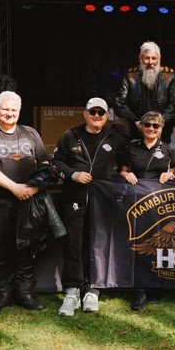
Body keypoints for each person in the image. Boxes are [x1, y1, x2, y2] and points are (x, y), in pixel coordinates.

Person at [0, 91, 51, 313]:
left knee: (27, 247)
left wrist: (34, 186)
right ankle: (3, 294)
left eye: (14, 110)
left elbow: (45, 163)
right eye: (5, 109)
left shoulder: (30, 133)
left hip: (29, 200)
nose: (9, 114)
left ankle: (25, 293)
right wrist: (13, 188)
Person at [52, 97, 127, 317]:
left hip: (102, 201)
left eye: (101, 113)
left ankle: (93, 288)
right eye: (92, 112)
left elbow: (126, 161)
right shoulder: (70, 135)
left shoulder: (114, 138)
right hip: (73, 198)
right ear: (85, 114)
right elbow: (56, 162)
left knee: (97, 246)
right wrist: (72, 174)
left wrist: (124, 172)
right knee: (74, 244)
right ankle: (73, 290)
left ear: (106, 116)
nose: (96, 116)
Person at [120, 111, 175, 311]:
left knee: (160, 243)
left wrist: (169, 175)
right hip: (137, 203)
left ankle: (156, 286)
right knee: (140, 243)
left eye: (156, 126)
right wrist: (126, 175)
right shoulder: (131, 147)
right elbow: (123, 170)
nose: (151, 129)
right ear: (141, 126)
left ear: (161, 129)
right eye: (148, 125)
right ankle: (140, 290)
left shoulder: (168, 149)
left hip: (161, 204)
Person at [115, 41, 175, 143]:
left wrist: (157, 122)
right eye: (147, 58)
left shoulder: (170, 77)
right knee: (119, 124)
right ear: (140, 58)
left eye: (154, 58)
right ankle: (124, 156)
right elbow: (120, 103)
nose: (150, 62)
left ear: (159, 58)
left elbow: (174, 106)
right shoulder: (130, 76)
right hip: (136, 124)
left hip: (160, 125)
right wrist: (137, 121)